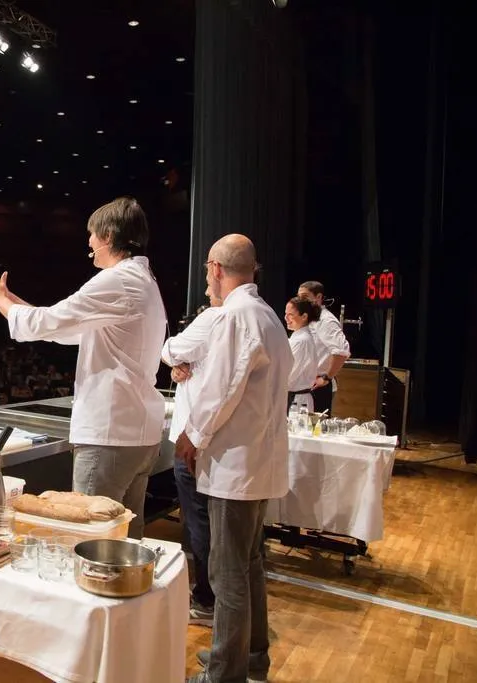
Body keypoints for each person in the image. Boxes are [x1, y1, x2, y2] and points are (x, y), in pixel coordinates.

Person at [0, 197, 167, 539]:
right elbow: (62, 327)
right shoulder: (142, 280)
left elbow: (48, 322)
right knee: (125, 537)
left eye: (91, 235)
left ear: (107, 236)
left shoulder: (117, 280)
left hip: (110, 434)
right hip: (134, 432)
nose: (89, 243)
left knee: (91, 538)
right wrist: (7, 299)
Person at [173, 234, 292, 683]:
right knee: (249, 565)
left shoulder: (235, 316)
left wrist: (192, 435)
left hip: (236, 466)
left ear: (216, 268)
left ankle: (225, 673)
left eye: (208, 271)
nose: (208, 278)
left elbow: (221, 389)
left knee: (227, 575)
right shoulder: (268, 317)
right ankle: (251, 657)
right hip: (259, 463)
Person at [160, 286, 223, 627]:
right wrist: (177, 368)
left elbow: (169, 348)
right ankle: (212, 596)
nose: (207, 288)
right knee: (206, 521)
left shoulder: (213, 318)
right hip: (214, 438)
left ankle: (207, 600)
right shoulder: (253, 320)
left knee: (199, 521)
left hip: (195, 437)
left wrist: (174, 359)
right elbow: (181, 362)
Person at [296, 281, 351, 415]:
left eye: (304, 296)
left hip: (318, 386)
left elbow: (341, 351)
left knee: (314, 430)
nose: (300, 300)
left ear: (318, 297)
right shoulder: (309, 319)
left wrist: (326, 378)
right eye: (298, 297)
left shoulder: (326, 320)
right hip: (304, 384)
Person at [284, 296, 325, 413]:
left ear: (304, 316)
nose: (286, 318)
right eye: (285, 314)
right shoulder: (299, 337)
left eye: (290, 315)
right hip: (295, 398)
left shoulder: (301, 341)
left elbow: (289, 374)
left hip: (296, 402)